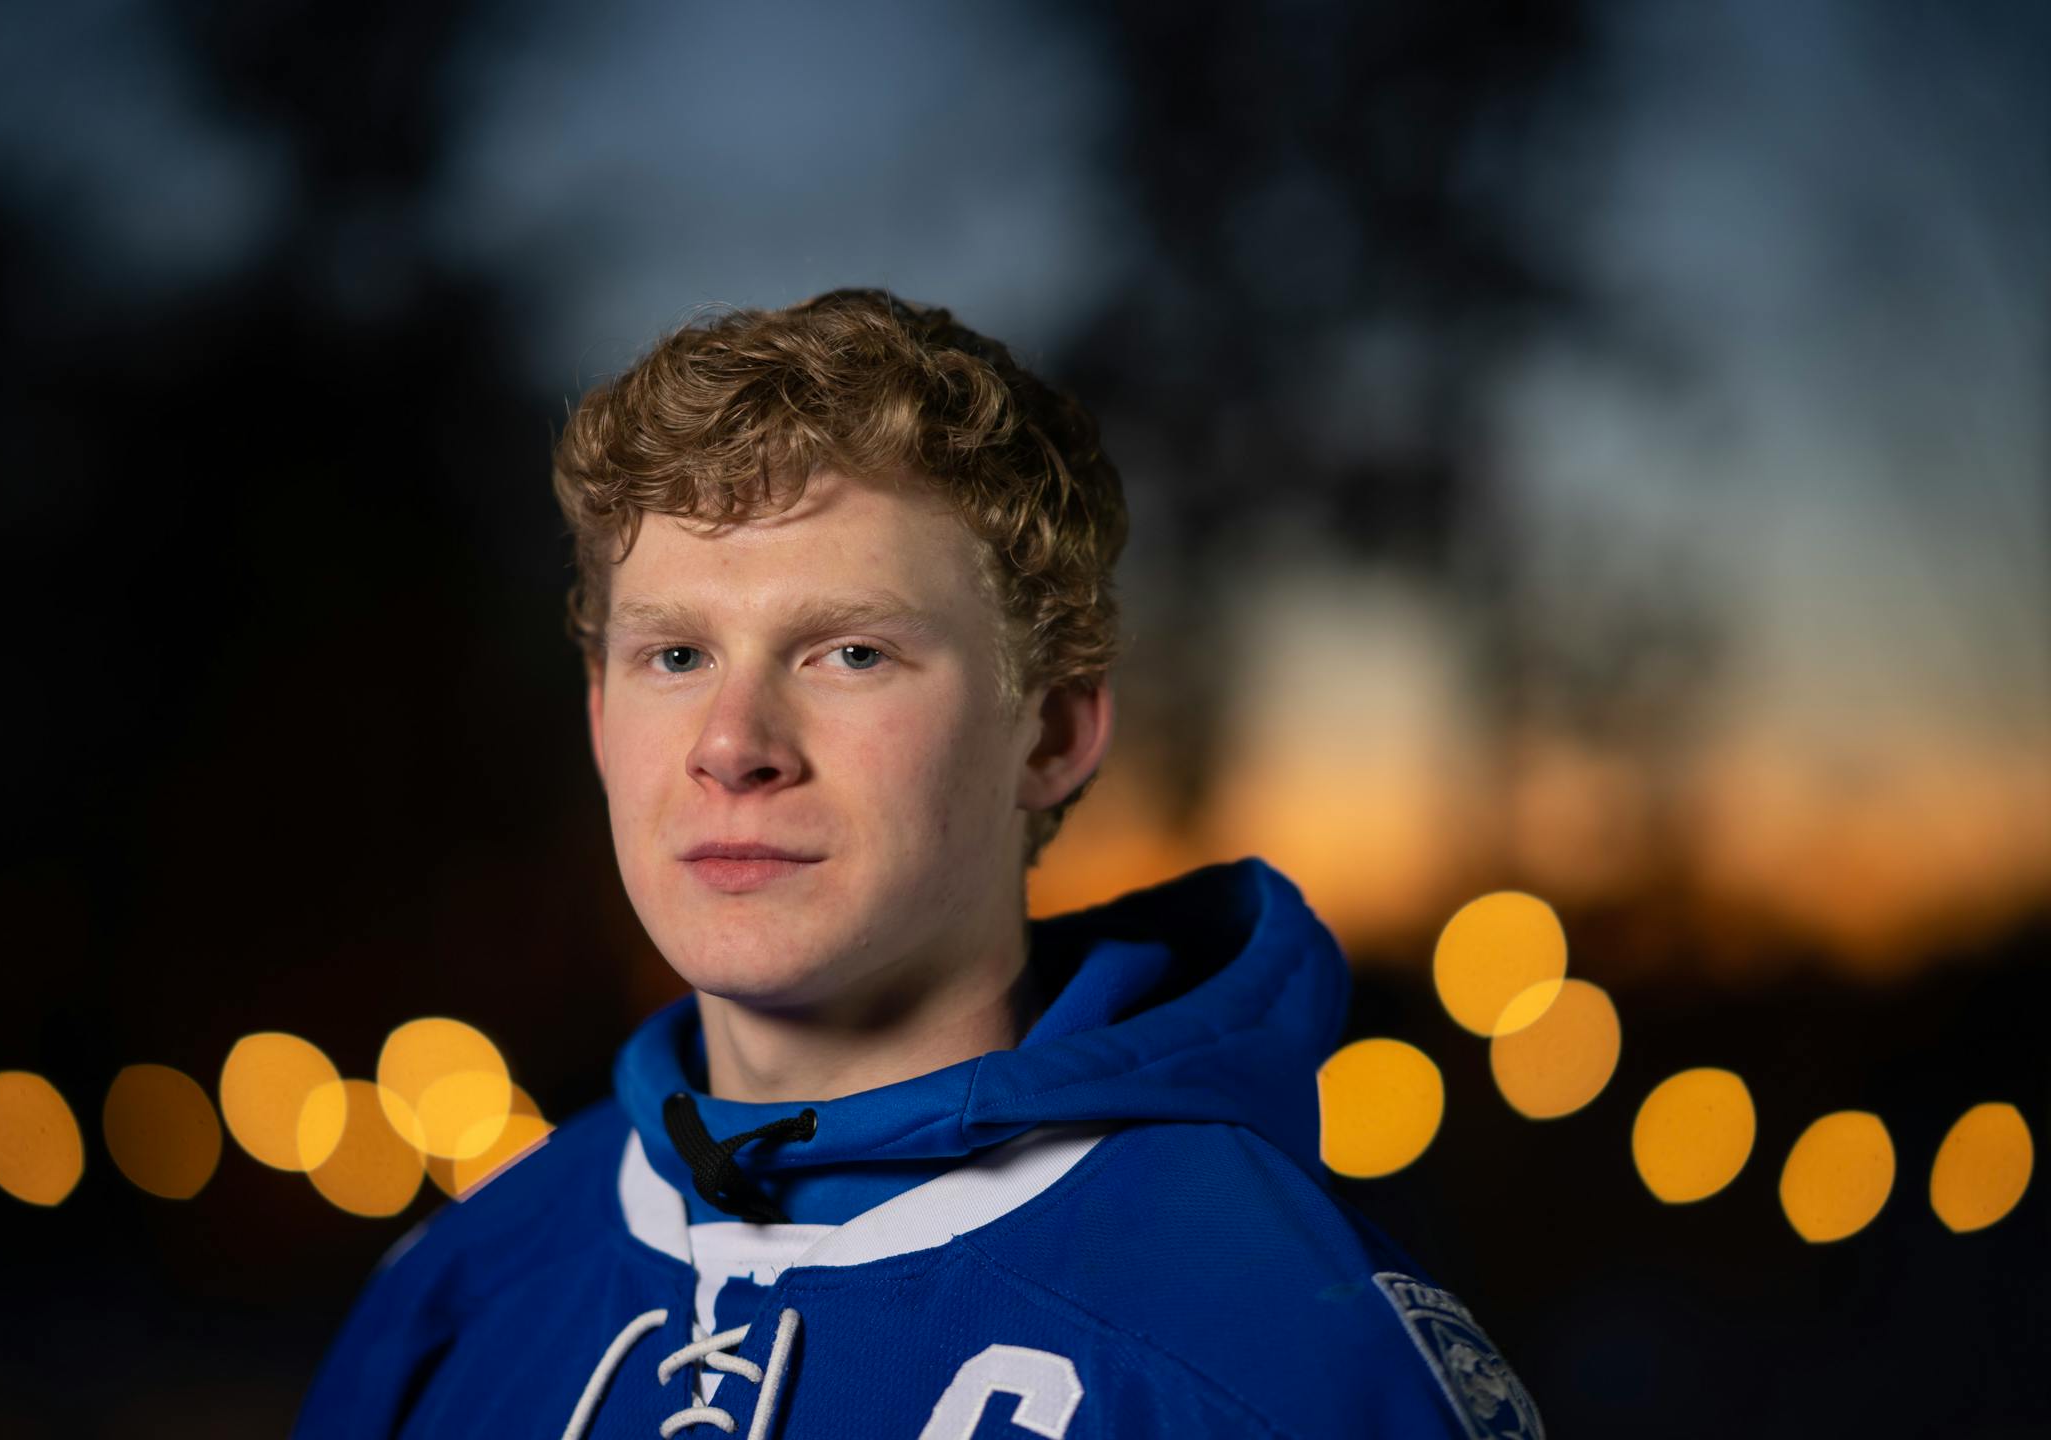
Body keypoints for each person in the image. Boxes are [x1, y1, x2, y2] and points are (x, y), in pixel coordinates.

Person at [293, 289, 1543, 1439]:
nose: (733, 747)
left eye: (848, 654)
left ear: (1048, 733)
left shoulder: (1280, 1358)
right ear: (600, 718)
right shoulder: (457, 1291)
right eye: (675, 656)